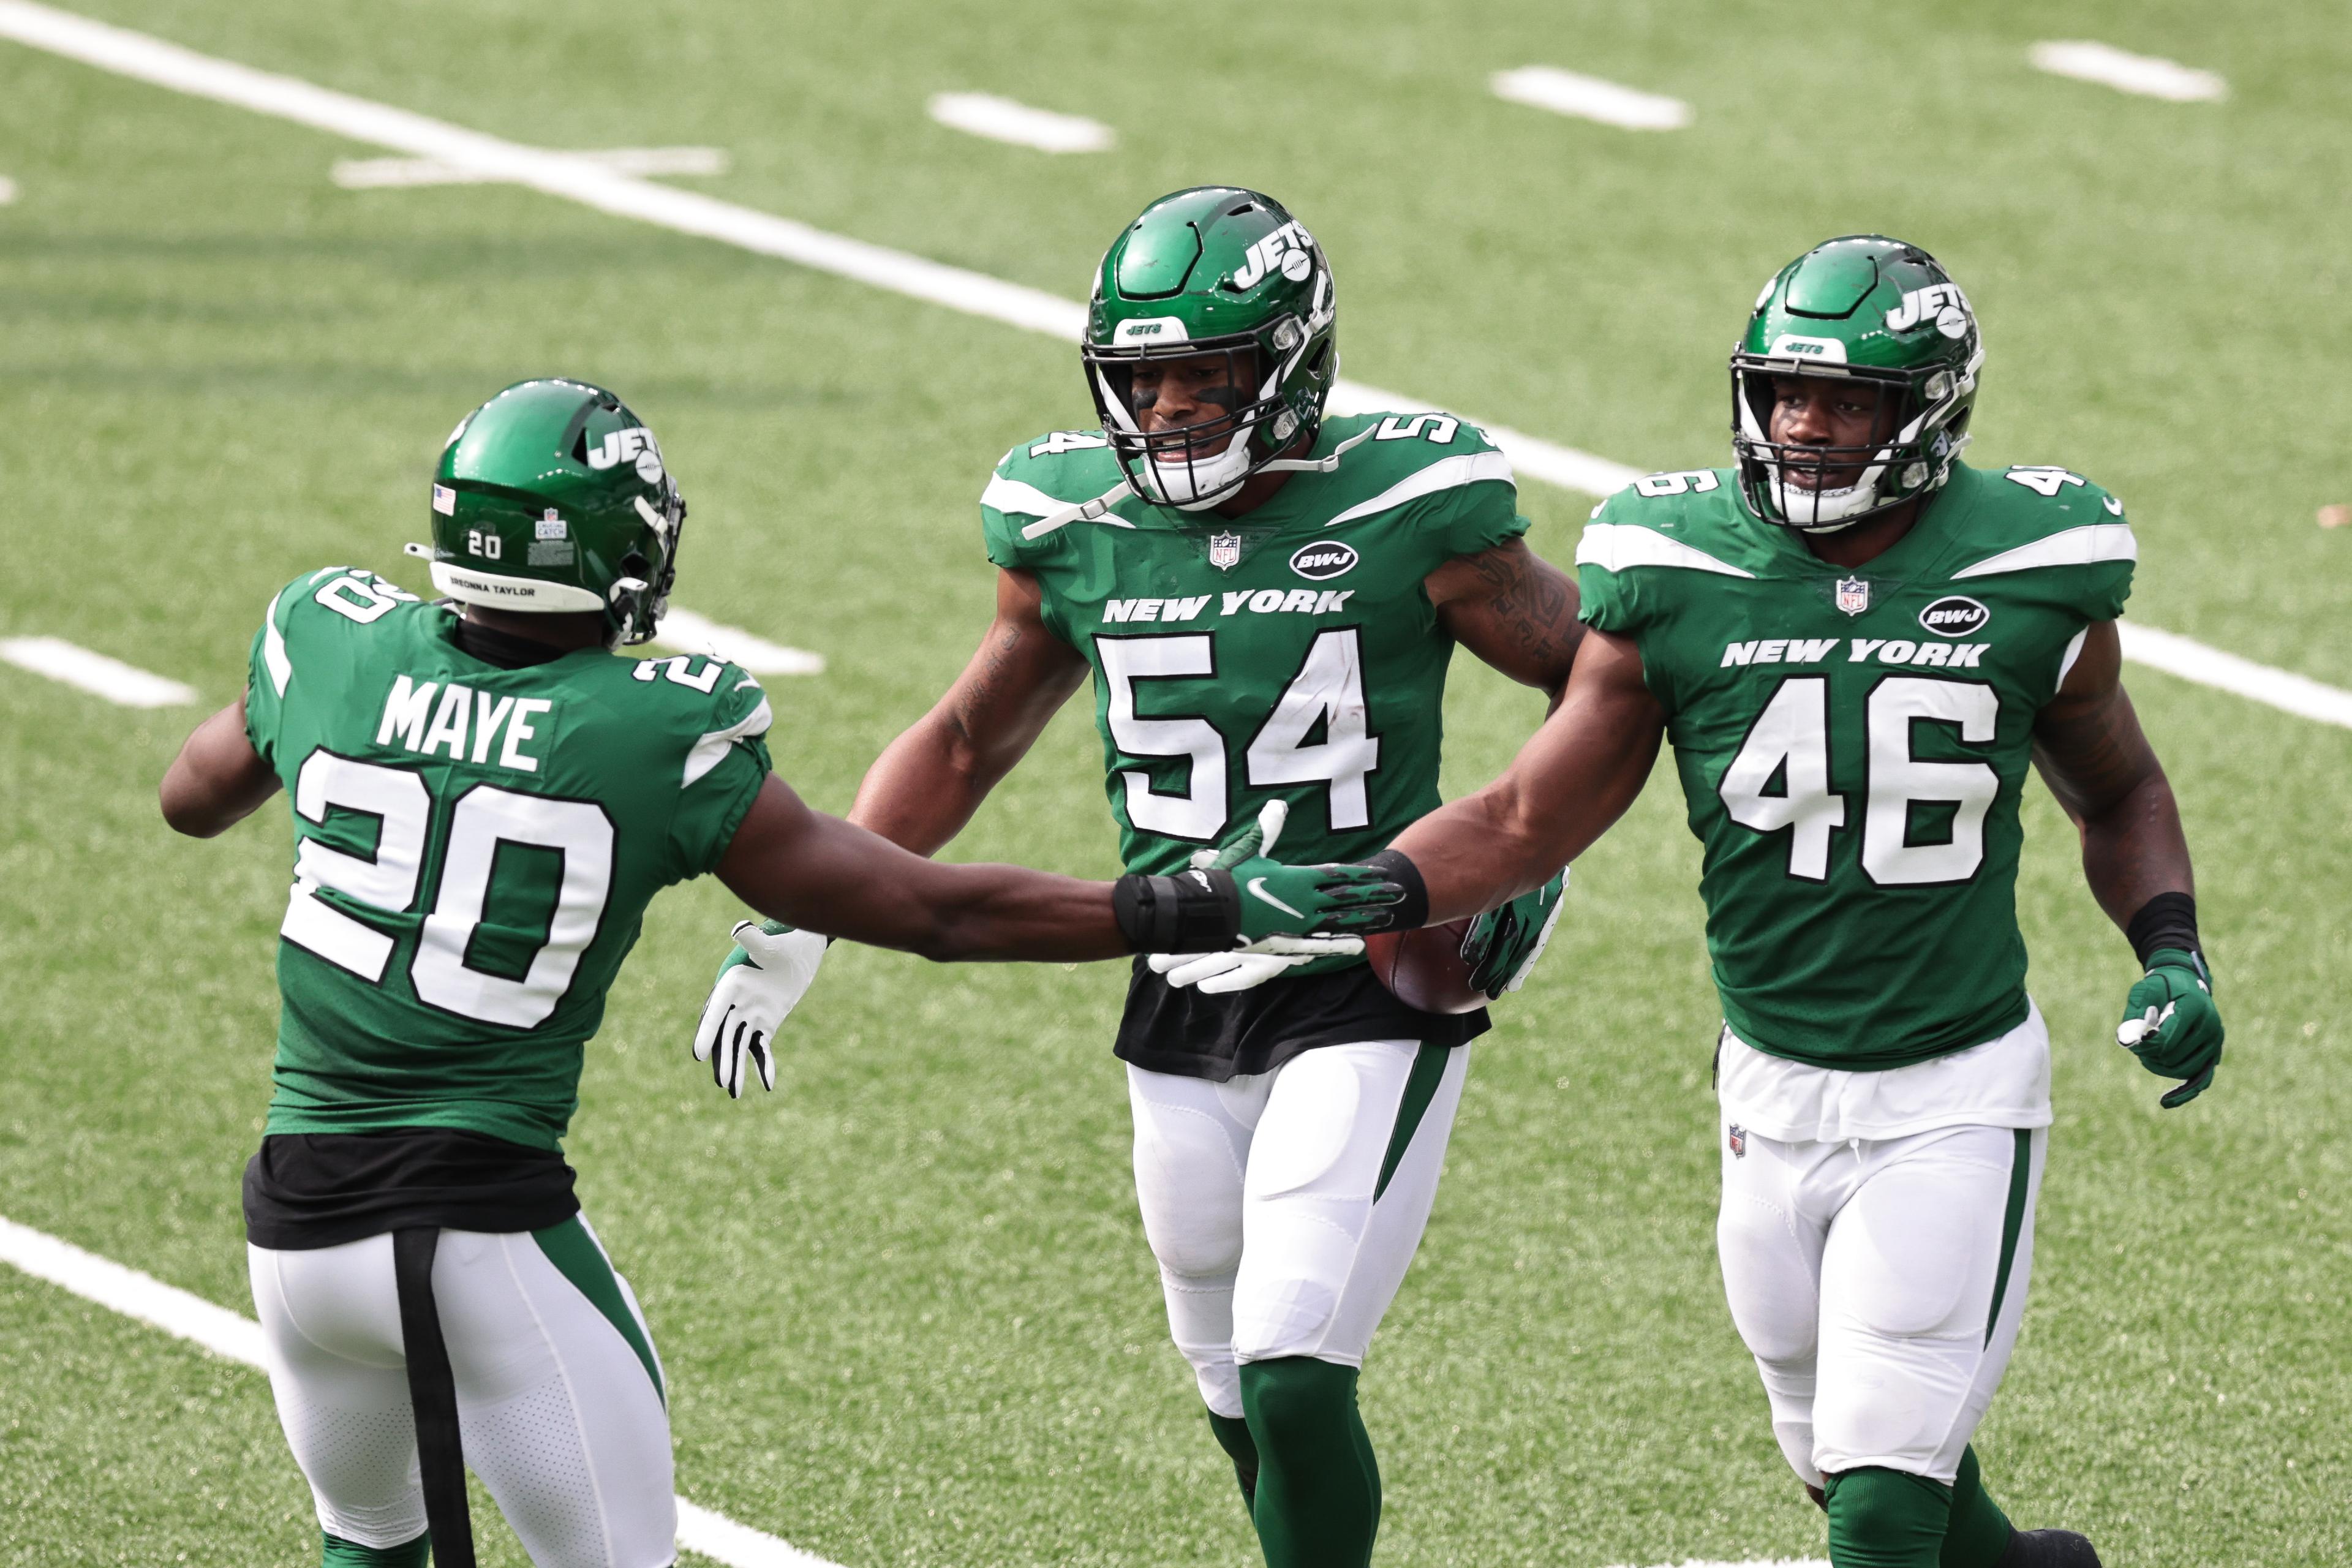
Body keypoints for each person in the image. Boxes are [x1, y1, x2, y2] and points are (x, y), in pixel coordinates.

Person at [159, 377, 1359, 1568]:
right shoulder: (645, 728)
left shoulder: (330, 634)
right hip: (480, 1227)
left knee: (368, 1548)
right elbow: (928, 908)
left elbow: (192, 796)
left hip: (299, 1230)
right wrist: (1183, 901)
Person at [1165, 236, 2225, 1568]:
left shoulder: (2034, 561)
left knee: (1884, 1497)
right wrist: (1376, 883)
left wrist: (2170, 947)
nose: (1805, 425)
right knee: (1832, 1455)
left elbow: (2117, 785)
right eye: (1785, 392)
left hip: (1952, 1084)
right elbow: (1527, 813)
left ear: (1929, 412)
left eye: (1848, 401)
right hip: (1767, 1087)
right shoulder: (1675, 563)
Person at [694, 187, 1580, 1568]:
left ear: (1288, 368)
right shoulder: (1066, 516)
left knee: (1292, 1361)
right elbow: (969, 732)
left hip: (1364, 969)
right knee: (1231, 1386)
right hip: (1173, 979)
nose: (1167, 408)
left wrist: (1530, 849)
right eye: (1141, 376)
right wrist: (804, 914)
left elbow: (1602, 678)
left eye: (1204, 375)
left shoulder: (1415, 502)